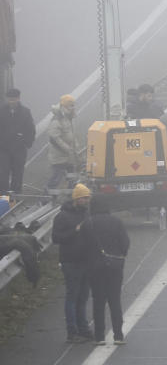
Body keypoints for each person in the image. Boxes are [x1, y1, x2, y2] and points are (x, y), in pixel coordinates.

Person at [81, 195, 129, 345]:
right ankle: (118, 335)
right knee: (115, 300)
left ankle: (100, 336)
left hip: (95, 267)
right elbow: (125, 242)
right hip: (114, 265)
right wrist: (119, 256)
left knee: (98, 301)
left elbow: (82, 246)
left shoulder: (87, 223)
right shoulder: (117, 221)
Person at [51, 183, 93, 342]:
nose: (86, 200)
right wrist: (74, 231)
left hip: (86, 261)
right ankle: (72, 332)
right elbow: (56, 238)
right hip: (70, 262)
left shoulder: (87, 214)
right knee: (72, 296)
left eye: (87, 197)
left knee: (83, 297)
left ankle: (83, 329)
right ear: (76, 198)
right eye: (83, 197)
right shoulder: (62, 216)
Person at [0, 88, 36, 194]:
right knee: (3, 173)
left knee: (18, 173)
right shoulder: (1, 111)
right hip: (3, 149)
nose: (12, 101)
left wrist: (27, 142)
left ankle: (15, 198)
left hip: (19, 148)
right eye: (10, 99)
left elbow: (31, 129)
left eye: (14, 99)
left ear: (18, 99)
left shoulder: (25, 112)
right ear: (7, 99)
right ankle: (3, 197)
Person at [47, 95, 81, 191]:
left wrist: (75, 147)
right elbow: (54, 138)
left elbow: (72, 134)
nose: (72, 108)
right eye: (70, 106)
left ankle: (70, 193)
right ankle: (47, 197)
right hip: (59, 156)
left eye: (73, 105)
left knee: (71, 176)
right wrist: (68, 149)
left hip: (69, 155)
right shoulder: (57, 119)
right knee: (56, 177)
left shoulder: (68, 118)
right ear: (64, 106)